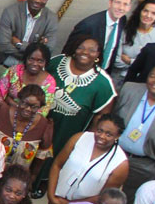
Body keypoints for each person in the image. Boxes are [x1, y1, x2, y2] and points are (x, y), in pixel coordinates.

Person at [47, 36, 118, 164]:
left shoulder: (103, 83)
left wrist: (86, 140)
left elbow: (102, 115)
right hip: (40, 125)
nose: (85, 52)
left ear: (98, 55)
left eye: (92, 50)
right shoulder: (57, 62)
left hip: (66, 136)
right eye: (81, 47)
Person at [114, 66, 155, 197]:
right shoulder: (129, 89)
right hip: (114, 152)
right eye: (153, 76)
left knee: (128, 199)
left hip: (144, 164)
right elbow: (112, 115)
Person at [48, 114, 129, 204]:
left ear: (117, 136)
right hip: (56, 200)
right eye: (99, 131)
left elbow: (104, 196)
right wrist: (51, 195)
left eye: (108, 134)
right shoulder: (79, 138)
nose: (102, 136)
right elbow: (57, 165)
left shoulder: (120, 164)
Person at [0, 86, 54, 178]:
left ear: (39, 108)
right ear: (19, 100)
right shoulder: (1, 111)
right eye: (25, 103)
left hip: (17, 180)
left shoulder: (44, 125)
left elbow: (41, 157)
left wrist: (32, 178)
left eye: (34, 107)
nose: (28, 109)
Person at [66, 0, 133, 72]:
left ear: (129, 8)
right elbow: (68, 52)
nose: (121, 8)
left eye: (125, 4)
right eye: (118, 3)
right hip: (84, 71)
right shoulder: (88, 25)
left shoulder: (122, 20)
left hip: (105, 71)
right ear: (110, 3)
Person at [0, 0, 58, 67]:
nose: (37, 0)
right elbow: (4, 44)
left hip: (34, 66)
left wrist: (20, 44)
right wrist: (33, 54)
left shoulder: (51, 18)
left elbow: (48, 50)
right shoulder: (10, 12)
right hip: (8, 60)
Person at [111, 0, 155, 87]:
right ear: (140, 11)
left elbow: (152, 66)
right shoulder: (124, 29)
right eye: (145, 11)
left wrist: (129, 61)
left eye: (153, 13)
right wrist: (140, 63)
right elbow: (116, 61)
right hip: (118, 77)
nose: (148, 15)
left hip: (141, 82)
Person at [0, 41, 57, 116]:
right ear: (26, 58)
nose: (35, 64)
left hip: (29, 123)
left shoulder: (49, 82)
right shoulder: (13, 71)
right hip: (4, 114)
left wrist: (10, 101)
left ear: (46, 62)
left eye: (40, 61)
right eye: (31, 59)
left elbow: (43, 112)